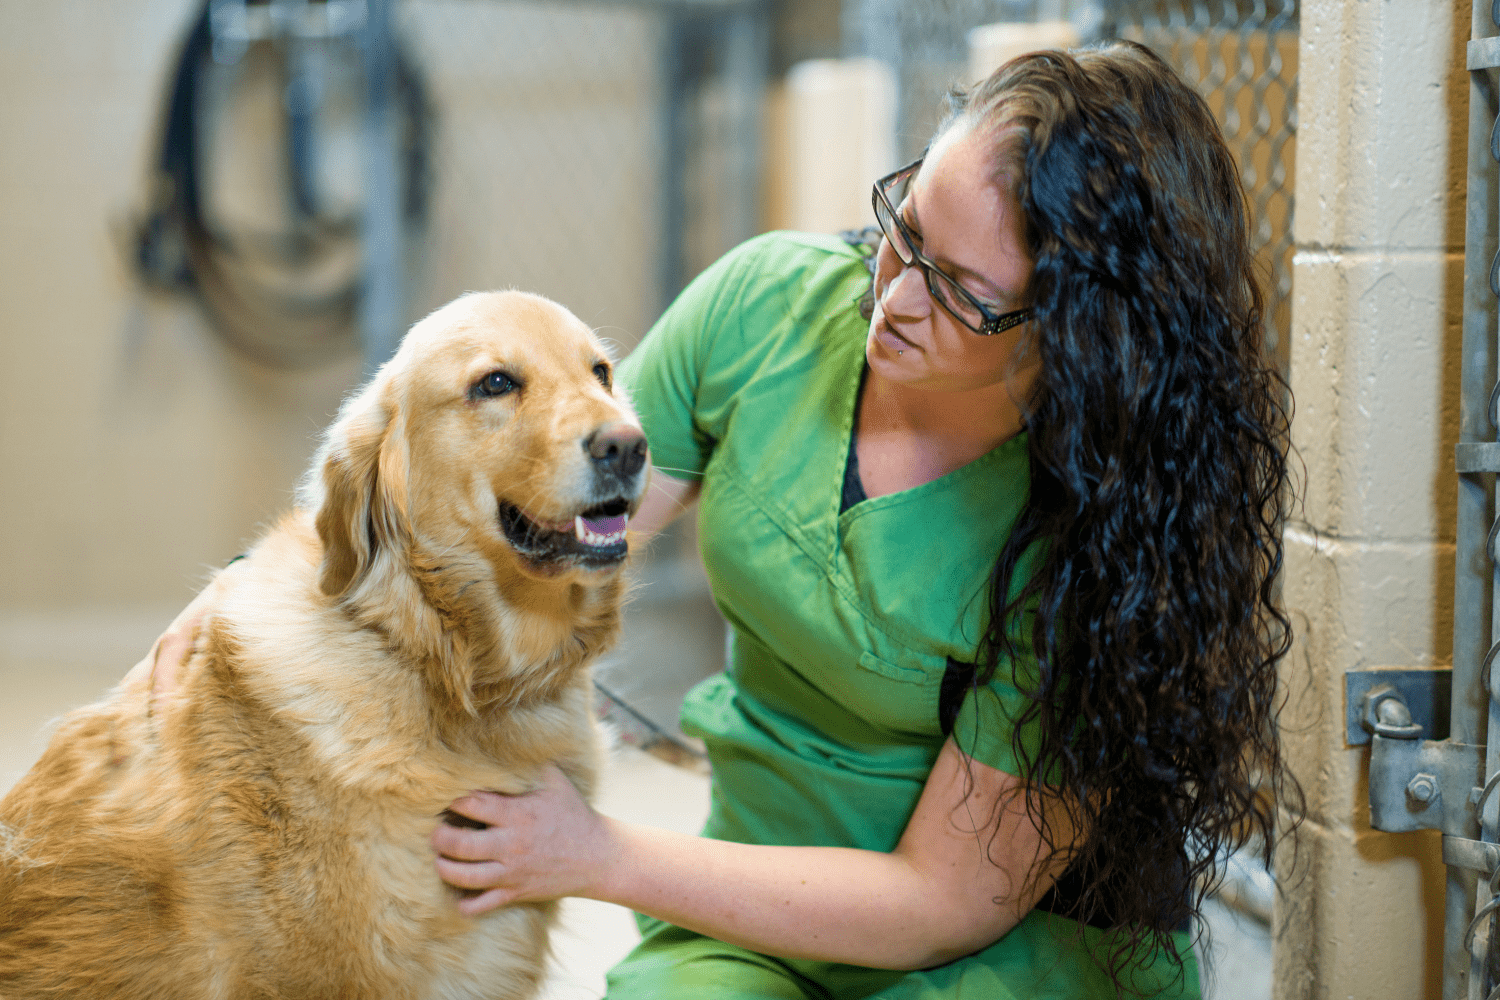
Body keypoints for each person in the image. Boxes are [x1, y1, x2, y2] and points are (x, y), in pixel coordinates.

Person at [144, 40, 1292, 999]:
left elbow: (938, 904)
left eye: (956, 292)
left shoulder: (1099, 533)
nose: (888, 294)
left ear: (1079, 342)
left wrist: (595, 856)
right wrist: (278, 586)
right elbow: (541, 508)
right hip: (749, 905)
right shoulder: (770, 310)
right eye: (905, 225)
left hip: (1004, 953)